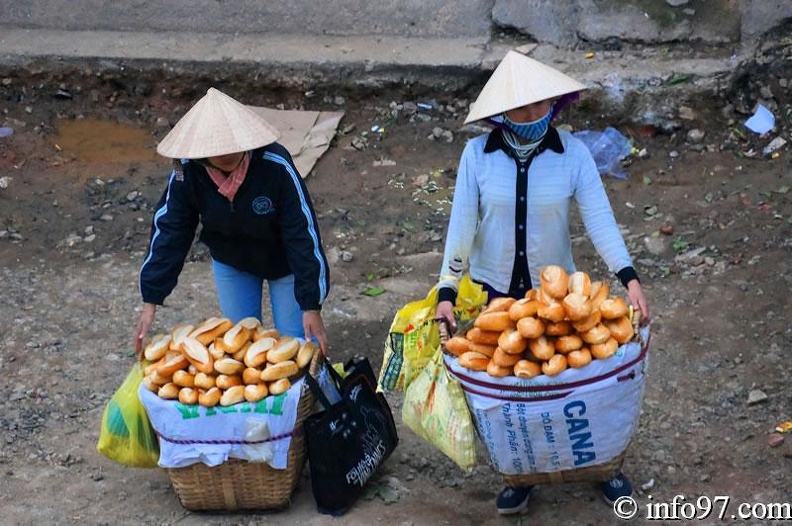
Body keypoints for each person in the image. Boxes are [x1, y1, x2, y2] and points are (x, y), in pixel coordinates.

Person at [433, 51, 650, 515]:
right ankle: (521, 475)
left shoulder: (572, 155)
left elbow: (601, 221)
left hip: (558, 298)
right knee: (514, 393)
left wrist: (629, 278)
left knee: (575, 385)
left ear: (554, 104)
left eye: (538, 105)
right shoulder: (477, 156)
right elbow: (461, 228)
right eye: (518, 108)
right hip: (494, 296)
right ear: (500, 114)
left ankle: (602, 466)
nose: (530, 115)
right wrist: (447, 291)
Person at [133, 87, 330, 356]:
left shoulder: (275, 166)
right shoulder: (187, 172)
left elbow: (303, 233)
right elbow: (170, 231)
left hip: (285, 263)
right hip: (231, 260)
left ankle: (308, 397)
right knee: (239, 350)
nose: (226, 154)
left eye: (232, 145)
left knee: (298, 343)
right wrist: (151, 298)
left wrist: (311, 304)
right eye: (217, 149)